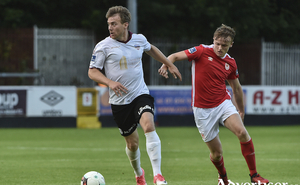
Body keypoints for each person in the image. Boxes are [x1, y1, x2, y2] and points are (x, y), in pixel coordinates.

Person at [158, 24, 269, 185]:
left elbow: (236, 88)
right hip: (202, 110)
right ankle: (223, 178)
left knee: (243, 133)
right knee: (217, 154)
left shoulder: (231, 63)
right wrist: (165, 64)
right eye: (217, 43)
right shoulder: (201, 51)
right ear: (213, 40)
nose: (219, 48)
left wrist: (241, 110)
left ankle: (254, 176)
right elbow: (174, 56)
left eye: (224, 45)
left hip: (222, 103)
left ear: (231, 44)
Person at [88, 6, 182, 185]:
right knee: (132, 144)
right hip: (119, 102)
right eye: (109, 24)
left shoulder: (139, 39)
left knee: (148, 125)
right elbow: (92, 72)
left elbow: (150, 48)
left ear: (125, 24)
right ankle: (139, 174)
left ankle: (158, 175)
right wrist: (110, 82)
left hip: (140, 94)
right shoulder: (103, 46)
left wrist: (169, 63)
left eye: (114, 24)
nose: (110, 27)